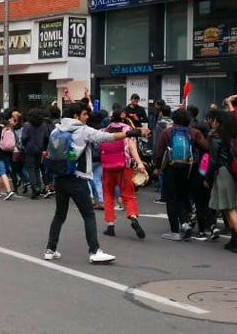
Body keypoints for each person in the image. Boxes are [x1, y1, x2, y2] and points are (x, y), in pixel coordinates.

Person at [44, 102, 148, 265]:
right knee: (89, 215)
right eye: (85, 114)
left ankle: (50, 249)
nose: (87, 117)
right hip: (78, 178)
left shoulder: (57, 129)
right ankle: (95, 251)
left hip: (60, 178)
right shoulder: (83, 130)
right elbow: (107, 137)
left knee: (59, 214)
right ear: (76, 116)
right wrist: (132, 133)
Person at [154, 108, 209, 241]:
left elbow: (159, 151)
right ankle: (185, 223)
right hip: (190, 169)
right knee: (184, 197)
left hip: (171, 169)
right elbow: (207, 148)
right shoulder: (194, 132)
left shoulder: (167, 132)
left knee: (172, 198)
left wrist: (157, 167)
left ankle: (175, 229)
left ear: (174, 119)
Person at [100, 108, 147, 239]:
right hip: (124, 166)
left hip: (108, 167)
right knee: (129, 194)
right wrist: (140, 163)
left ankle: (110, 224)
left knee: (108, 195)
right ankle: (132, 216)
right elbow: (132, 147)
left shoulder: (105, 130)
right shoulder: (127, 129)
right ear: (123, 117)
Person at [206, 110, 237, 252]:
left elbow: (212, 160)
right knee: (227, 206)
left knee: (229, 207)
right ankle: (234, 238)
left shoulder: (216, 136)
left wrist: (207, 177)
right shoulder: (232, 135)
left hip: (223, 171)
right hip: (232, 171)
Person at [22, 109, 50, 199]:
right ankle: (38, 185)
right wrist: (44, 149)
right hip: (40, 148)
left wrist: (25, 145)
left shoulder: (27, 125)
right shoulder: (43, 125)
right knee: (37, 168)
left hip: (29, 149)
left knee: (30, 168)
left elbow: (24, 138)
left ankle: (35, 187)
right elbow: (46, 138)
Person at [0, 111, 17, 201]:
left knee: (2, 171)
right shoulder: (9, 128)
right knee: (5, 171)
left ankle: (9, 191)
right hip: (8, 152)